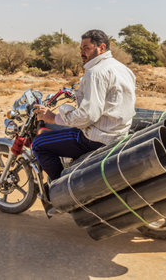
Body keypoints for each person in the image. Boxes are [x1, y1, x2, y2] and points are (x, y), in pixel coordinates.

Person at [32, 29, 136, 181]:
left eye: (86, 48)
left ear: (101, 48)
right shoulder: (123, 68)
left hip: (98, 138)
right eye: (81, 49)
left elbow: (88, 115)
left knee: (39, 143)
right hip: (118, 132)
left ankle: (58, 190)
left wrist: (55, 118)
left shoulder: (95, 73)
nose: (82, 53)